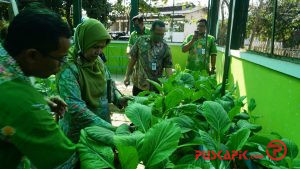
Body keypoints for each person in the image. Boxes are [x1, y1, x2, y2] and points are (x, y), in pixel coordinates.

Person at [0, 8, 77, 169]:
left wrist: (40, 99)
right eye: (61, 58)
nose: (63, 64)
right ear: (32, 56)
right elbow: (64, 159)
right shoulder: (23, 102)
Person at [56, 18, 128, 143]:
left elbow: (108, 84)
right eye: (95, 47)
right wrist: (111, 129)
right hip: (78, 134)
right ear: (84, 42)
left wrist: (119, 99)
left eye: (102, 47)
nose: (99, 52)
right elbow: (76, 109)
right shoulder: (68, 68)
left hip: (102, 129)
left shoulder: (97, 61)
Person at [124, 20, 173, 96]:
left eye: (162, 34)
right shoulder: (140, 41)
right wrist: (127, 76)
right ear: (151, 31)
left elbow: (168, 68)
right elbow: (132, 60)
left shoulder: (166, 47)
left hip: (155, 87)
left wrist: (171, 86)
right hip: (139, 85)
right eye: (157, 34)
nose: (160, 36)